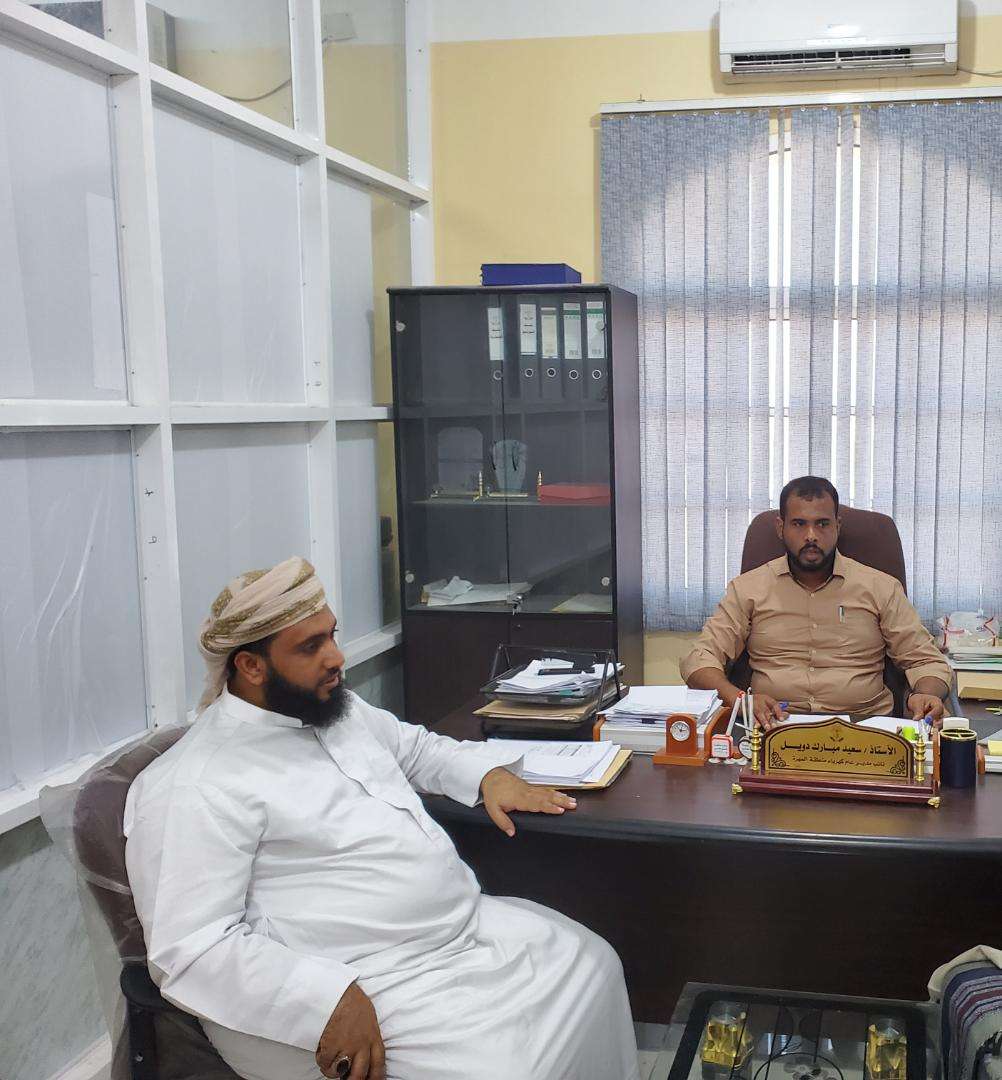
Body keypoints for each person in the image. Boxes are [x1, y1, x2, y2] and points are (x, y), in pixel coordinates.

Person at [124, 557, 639, 1080]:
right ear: (251, 667)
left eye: (331, 635)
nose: (336, 657)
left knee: (593, 965)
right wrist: (327, 1000)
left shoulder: (331, 708)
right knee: (509, 1069)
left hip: (453, 935)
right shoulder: (195, 783)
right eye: (310, 647)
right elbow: (190, 950)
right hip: (352, 984)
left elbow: (415, 749)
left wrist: (487, 777)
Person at [681, 476, 952, 729]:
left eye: (822, 524)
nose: (811, 535)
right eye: (799, 524)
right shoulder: (748, 589)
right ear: (780, 528)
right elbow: (700, 659)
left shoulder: (881, 587)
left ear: (837, 526)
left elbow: (925, 660)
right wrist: (740, 699)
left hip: (865, 727)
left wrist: (926, 694)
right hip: (773, 724)